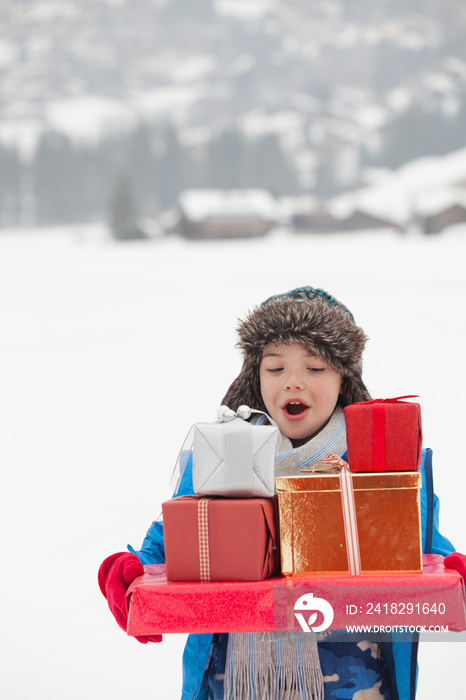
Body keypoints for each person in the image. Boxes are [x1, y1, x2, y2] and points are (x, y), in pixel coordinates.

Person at [99, 286, 465, 700]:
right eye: (275, 369)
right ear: (255, 377)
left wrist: (454, 566)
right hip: (236, 679)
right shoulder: (224, 456)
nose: (293, 382)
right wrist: (129, 569)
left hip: (354, 679)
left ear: (345, 378)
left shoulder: (375, 460)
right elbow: (174, 541)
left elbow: (422, 548)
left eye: (315, 368)